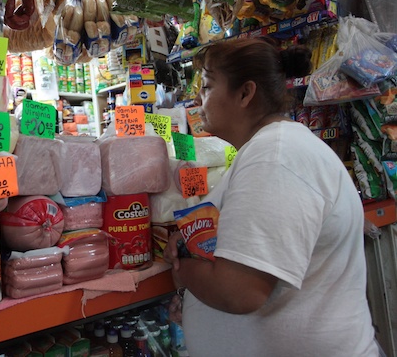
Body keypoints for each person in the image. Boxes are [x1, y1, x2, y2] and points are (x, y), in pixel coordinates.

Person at [162, 37, 379, 356]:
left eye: (207, 86)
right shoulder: (268, 151)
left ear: (245, 93)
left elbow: (240, 291)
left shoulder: (274, 156)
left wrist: (181, 267)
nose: (198, 97)